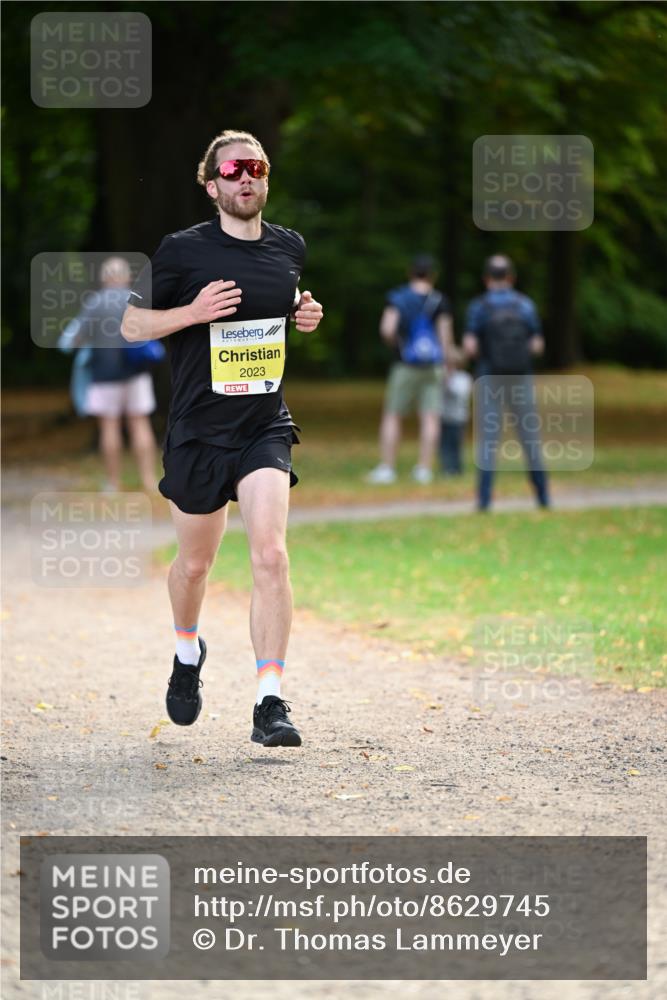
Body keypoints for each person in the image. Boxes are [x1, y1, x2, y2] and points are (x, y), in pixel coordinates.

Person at [121, 130, 323, 748]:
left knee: (270, 555)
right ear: (212, 186)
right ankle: (188, 650)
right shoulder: (182, 253)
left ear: (265, 179)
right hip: (198, 431)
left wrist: (303, 312)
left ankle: (270, 701)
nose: (246, 178)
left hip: (263, 425)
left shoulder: (289, 246)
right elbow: (130, 324)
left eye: (255, 168)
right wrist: (191, 313)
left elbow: (284, 303)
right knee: (196, 564)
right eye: (233, 170)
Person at [59, 256, 159, 493]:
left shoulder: (94, 303)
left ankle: (113, 484)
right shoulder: (136, 301)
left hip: (104, 375)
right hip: (137, 373)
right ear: (126, 277)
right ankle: (149, 481)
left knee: (109, 428)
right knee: (140, 424)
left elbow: (69, 341)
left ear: (104, 278)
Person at [462, 254, 550, 511]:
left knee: (488, 439)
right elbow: (537, 345)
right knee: (529, 437)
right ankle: (543, 497)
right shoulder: (525, 305)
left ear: (486, 278)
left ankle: (484, 500)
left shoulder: (479, 307)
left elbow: (470, 346)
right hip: (520, 377)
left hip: (489, 377)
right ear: (511, 277)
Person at [366, 255, 454, 485]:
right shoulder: (439, 300)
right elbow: (445, 337)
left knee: (393, 415)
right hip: (432, 366)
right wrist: (448, 365)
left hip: (404, 364)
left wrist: (398, 345)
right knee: (430, 417)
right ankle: (424, 469)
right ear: (432, 275)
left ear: (410, 273)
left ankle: (387, 468)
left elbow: (387, 329)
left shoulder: (398, 298)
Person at [440, 350, 472, 475]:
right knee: (444, 445)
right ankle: (447, 468)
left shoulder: (463, 378)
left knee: (456, 444)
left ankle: (457, 468)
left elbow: (460, 394)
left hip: (458, 418)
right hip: (444, 417)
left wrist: (448, 383)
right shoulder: (443, 376)